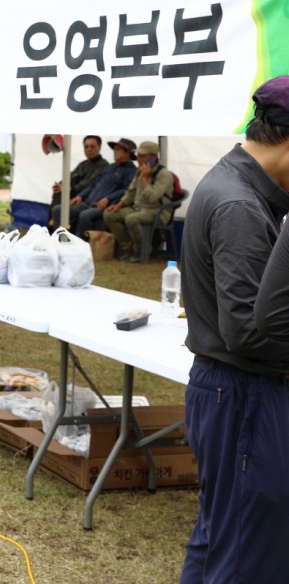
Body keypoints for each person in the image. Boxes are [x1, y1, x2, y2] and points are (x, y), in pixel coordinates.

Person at [179, 76, 289, 583]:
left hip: (228, 391)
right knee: (248, 554)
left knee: (221, 539)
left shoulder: (232, 183)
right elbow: (247, 329)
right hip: (243, 392)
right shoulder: (239, 205)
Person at [103, 140, 175, 262]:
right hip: (139, 209)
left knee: (132, 219)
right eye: (138, 155)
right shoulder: (139, 171)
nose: (138, 159)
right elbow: (130, 192)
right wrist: (118, 205)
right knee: (109, 215)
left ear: (153, 157)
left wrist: (145, 179)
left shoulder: (164, 175)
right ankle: (126, 247)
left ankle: (141, 249)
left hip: (158, 211)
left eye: (142, 156)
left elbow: (153, 197)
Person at [65, 138, 139, 237]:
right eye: (114, 149)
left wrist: (108, 198)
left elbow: (126, 191)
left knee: (85, 215)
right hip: (88, 202)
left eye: (118, 149)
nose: (114, 151)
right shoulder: (109, 167)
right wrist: (80, 196)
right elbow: (93, 184)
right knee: (61, 210)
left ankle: (85, 244)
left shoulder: (132, 171)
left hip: (103, 206)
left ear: (128, 153)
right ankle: (62, 240)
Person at [48, 135, 109, 226]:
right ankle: (52, 224)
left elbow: (89, 183)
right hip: (74, 193)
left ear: (99, 147)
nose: (89, 149)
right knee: (59, 192)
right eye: (86, 146)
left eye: (92, 146)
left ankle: (54, 225)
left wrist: (69, 188)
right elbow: (70, 176)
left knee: (61, 195)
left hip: (87, 197)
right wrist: (60, 185)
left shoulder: (103, 165)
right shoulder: (83, 164)